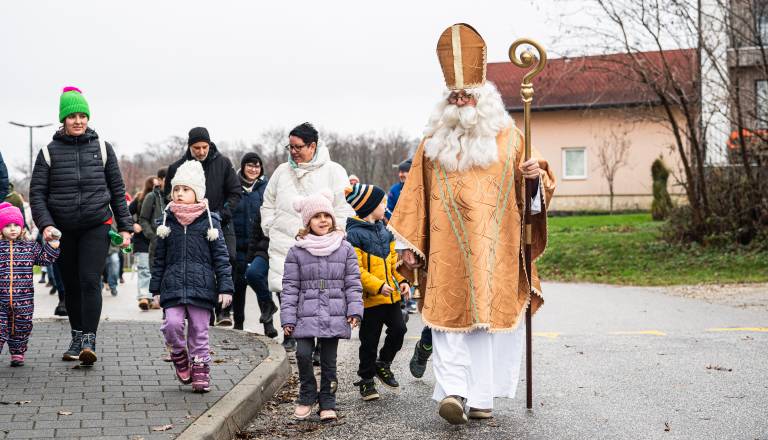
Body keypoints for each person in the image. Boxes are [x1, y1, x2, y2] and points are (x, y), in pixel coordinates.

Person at [390, 24, 556, 424]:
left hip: (494, 248)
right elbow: (413, 196)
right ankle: (454, 394)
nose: (460, 100)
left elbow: (533, 197)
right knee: (447, 323)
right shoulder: (432, 141)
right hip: (444, 250)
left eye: (467, 95)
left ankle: (482, 398)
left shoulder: (511, 138)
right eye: (454, 95)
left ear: (483, 98)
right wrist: (408, 247)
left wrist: (534, 178)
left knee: (484, 327)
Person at [30, 86, 133, 365]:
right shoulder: (48, 152)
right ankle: (76, 336)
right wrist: (46, 225)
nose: (78, 121)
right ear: (63, 119)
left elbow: (117, 188)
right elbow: (37, 194)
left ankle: (89, 339)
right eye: (72, 116)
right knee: (71, 285)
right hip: (62, 231)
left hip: (95, 225)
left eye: (82, 115)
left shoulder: (102, 148)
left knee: (89, 280)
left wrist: (125, 227)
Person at [261, 122, 354, 351]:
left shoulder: (334, 171)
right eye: (290, 147)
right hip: (285, 242)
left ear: (312, 146)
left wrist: (338, 233)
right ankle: (291, 334)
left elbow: (344, 207)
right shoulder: (282, 172)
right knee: (287, 289)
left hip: (323, 246)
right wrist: (270, 226)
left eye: (298, 147)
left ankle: (321, 343)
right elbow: (268, 202)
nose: (293, 152)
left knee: (318, 295)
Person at [150, 160, 234, 393]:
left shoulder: (210, 222)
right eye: (176, 189)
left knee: (199, 329)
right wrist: (155, 290)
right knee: (172, 325)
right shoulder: (166, 222)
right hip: (173, 286)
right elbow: (159, 259)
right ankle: (178, 353)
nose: (179, 194)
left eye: (185, 190)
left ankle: (200, 368)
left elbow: (221, 258)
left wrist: (225, 288)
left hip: (203, 287)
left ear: (197, 193)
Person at [280, 191, 363, 421]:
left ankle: (327, 400)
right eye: (317, 216)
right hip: (304, 314)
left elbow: (353, 284)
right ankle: (307, 394)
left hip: (334, 313)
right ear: (307, 221)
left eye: (327, 215)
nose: (323, 220)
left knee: (329, 361)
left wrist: (355, 310)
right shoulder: (297, 251)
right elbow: (290, 287)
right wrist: (287, 318)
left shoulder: (345, 249)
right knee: (303, 353)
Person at [164, 127, 240, 326]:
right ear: (190, 147)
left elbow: (235, 193)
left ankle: (224, 309)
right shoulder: (177, 167)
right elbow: (167, 196)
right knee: (194, 262)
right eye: (196, 147)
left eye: (204, 147)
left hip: (220, 222)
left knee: (227, 258)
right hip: (188, 223)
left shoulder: (223, 163)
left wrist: (221, 214)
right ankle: (197, 308)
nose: (201, 151)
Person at [345, 183, 409, 401]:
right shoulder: (354, 235)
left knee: (399, 330)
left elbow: (392, 264)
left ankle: (383, 363)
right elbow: (356, 270)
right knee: (369, 340)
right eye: (382, 203)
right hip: (370, 300)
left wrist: (402, 281)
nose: (385, 206)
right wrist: (378, 286)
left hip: (390, 297)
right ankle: (366, 380)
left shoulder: (385, 231)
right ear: (370, 207)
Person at [0, 202, 60, 366]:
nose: (12, 229)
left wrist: (52, 247)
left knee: (22, 326)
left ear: (21, 227)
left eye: (16, 225)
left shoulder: (29, 246)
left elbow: (44, 259)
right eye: (7, 225)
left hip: (24, 299)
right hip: (1, 299)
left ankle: (18, 353)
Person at [230, 153, 268, 330]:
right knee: (239, 287)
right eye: (250, 165)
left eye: (257, 166)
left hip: (259, 246)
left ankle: (268, 324)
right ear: (243, 166)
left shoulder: (265, 188)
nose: (253, 169)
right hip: (238, 246)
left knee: (261, 283)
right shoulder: (234, 186)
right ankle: (239, 324)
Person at [139, 168, 167, 309]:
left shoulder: (175, 196)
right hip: (156, 242)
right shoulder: (152, 197)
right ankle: (154, 298)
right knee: (153, 270)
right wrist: (153, 236)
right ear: (160, 180)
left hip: (173, 241)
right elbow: (143, 219)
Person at [130, 176, 158, 310]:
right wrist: (133, 224)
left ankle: (154, 298)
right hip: (142, 240)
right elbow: (125, 214)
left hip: (157, 239)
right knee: (144, 270)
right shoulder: (139, 199)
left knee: (155, 270)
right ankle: (144, 297)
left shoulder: (162, 200)